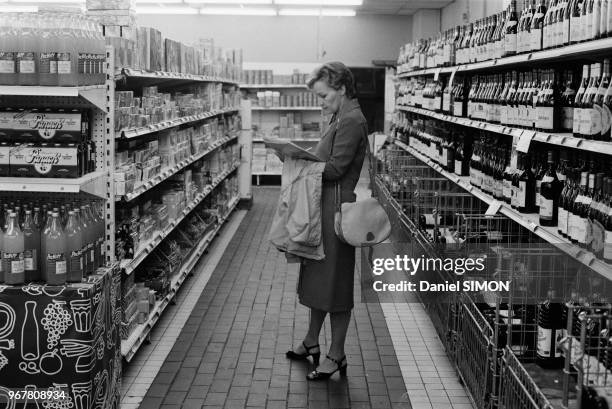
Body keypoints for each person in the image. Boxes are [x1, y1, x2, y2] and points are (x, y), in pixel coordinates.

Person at [284, 62, 367, 380]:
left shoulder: (351, 119)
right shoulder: (339, 116)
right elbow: (327, 160)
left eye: (323, 95)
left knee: (336, 287)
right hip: (324, 208)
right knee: (318, 279)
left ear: (342, 88)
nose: (321, 101)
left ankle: (336, 354)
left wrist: (300, 162)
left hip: (337, 215)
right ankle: (311, 341)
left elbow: (335, 169)